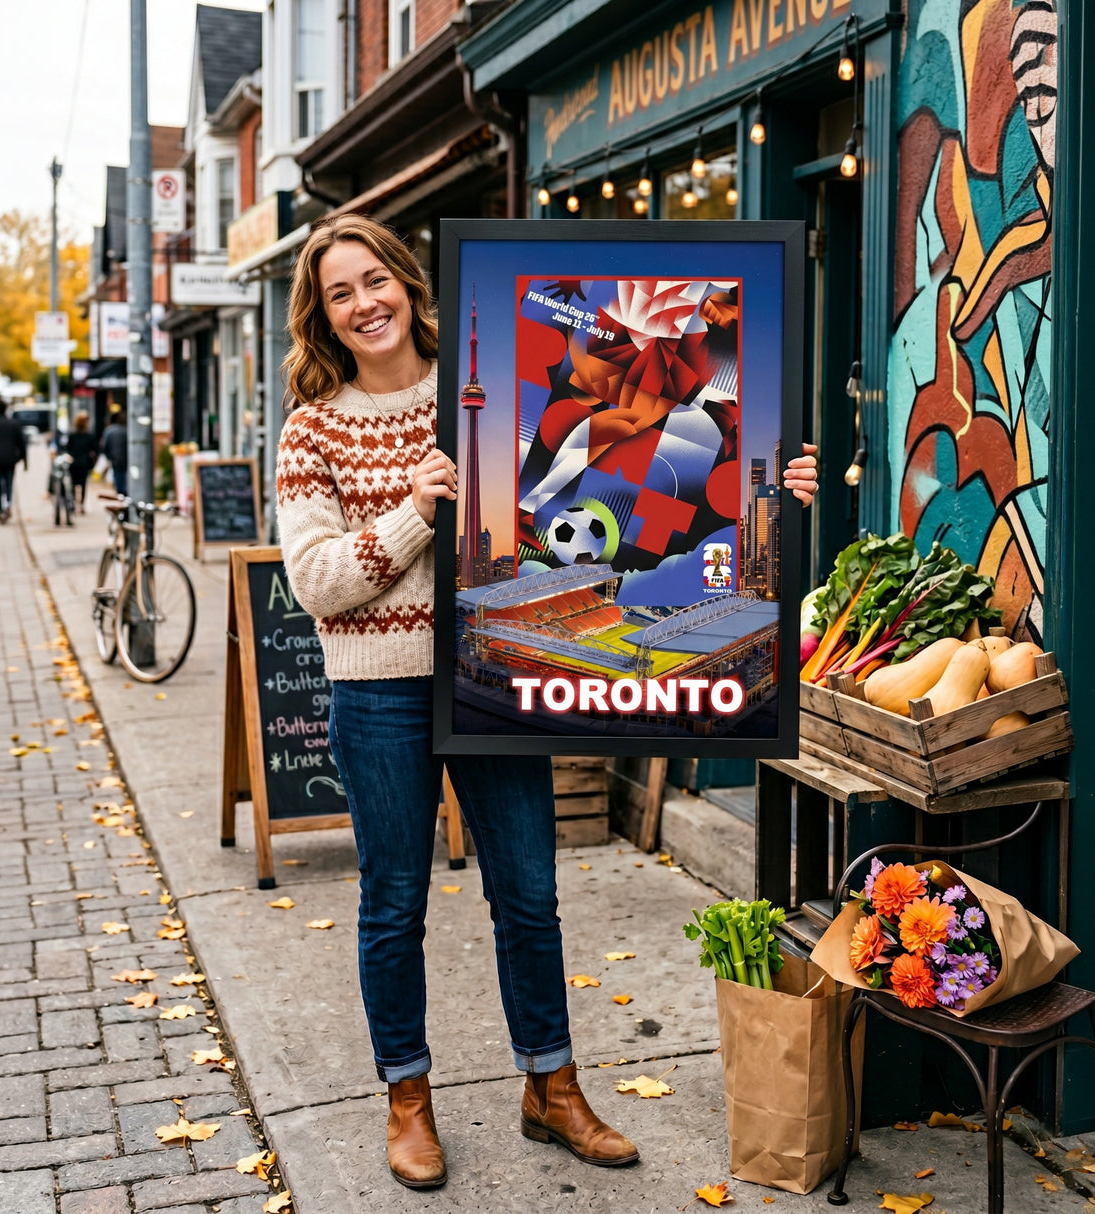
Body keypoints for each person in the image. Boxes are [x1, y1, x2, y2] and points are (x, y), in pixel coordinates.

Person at [274, 215, 819, 1192]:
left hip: (495, 679)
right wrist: (413, 513)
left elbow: (626, 471)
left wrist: (768, 478)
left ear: (406, 282)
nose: (363, 304)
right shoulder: (312, 429)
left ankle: (551, 1085)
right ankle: (407, 1097)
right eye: (339, 294)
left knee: (528, 892)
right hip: (379, 691)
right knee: (392, 902)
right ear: (321, 317)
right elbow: (315, 582)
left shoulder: (498, 384)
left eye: (374, 279)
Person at [65, 411, 100, 513]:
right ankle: (81, 504)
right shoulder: (88, 436)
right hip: (84, 463)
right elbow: (95, 449)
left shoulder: (72, 435)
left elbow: (67, 449)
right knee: (83, 484)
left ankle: (73, 503)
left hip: (73, 462)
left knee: (73, 484)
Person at [100, 407, 129, 497]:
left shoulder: (109, 431)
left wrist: (108, 457)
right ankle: (126, 493)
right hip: (127, 459)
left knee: (118, 476)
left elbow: (104, 446)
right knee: (126, 477)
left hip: (115, 459)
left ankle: (120, 493)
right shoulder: (128, 430)